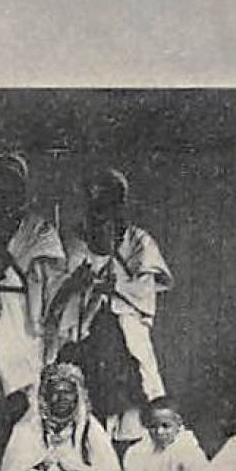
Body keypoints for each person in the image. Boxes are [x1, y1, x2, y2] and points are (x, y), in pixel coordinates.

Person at [49, 168, 173, 449]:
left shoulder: (137, 241)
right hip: (86, 325)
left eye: (107, 202)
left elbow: (144, 288)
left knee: (133, 388)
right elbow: (61, 290)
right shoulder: (77, 240)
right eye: (94, 204)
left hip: (123, 321)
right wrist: (77, 284)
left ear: (119, 204)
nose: (100, 211)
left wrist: (115, 284)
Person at [0, 153, 66, 471]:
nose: (3, 194)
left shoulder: (37, 228)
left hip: (19, 317)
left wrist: (9, 257)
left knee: (21, 394)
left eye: (11, 187)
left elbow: (52, 279)